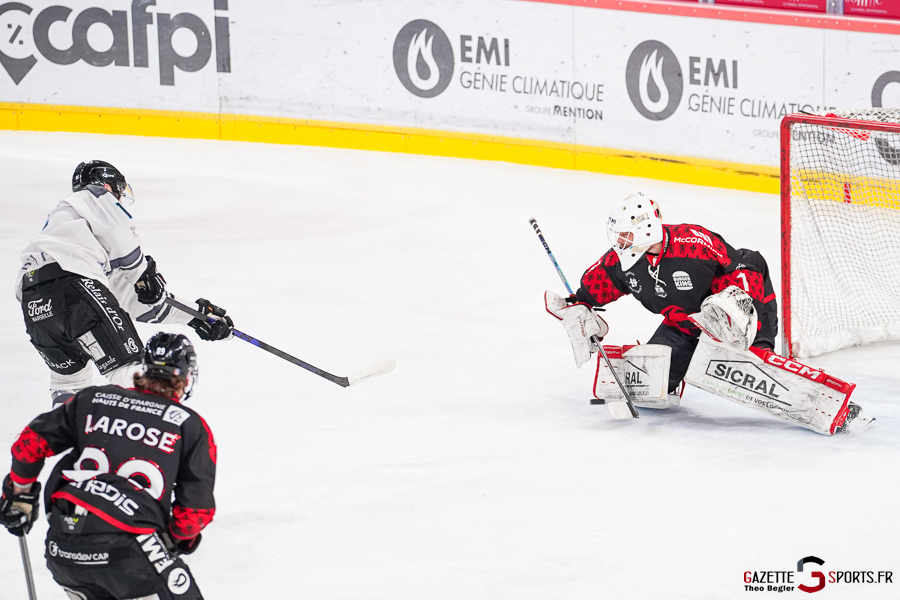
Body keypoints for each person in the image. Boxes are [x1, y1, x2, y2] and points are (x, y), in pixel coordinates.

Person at [0, 332, 215, 600]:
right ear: (185, 378)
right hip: (131, 548)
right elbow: (196, 511)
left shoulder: (95, 399)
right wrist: (178, 539)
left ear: (144, 369)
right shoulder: (188, 424)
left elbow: (31, 443)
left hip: (63, 547)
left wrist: (19, 495)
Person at [15, 160, 235, 405]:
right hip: (75, 288)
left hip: (34, 302)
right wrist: (144, 275)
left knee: (69, 384)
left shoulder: (77, 243)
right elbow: (128, 257)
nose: (119, 197)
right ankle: (142, 437)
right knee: (129, 368)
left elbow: (132, 300)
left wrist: (196, 316)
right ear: (108, 185)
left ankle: (62, 441)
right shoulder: (95, 196)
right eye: (118, 189)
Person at [572, 192, 778, 400]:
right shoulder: (623, 259)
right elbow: (599, 283)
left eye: (625, 234)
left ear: (645, 230)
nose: (619, 240)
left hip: (724, 318)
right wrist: (578, 306)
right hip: (685, 323)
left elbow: (742, 270)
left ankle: (762, 348)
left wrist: (744, 318)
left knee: (752, 350)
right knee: (647, 384)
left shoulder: (692, 243)